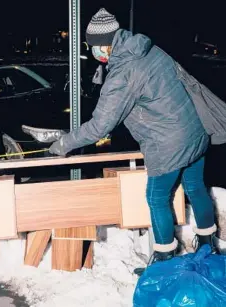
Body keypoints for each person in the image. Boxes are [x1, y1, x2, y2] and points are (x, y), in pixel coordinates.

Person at [49, 8, 219, 273]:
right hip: (195, 130)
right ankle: (209, 245)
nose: (92, 51)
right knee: (196, 187)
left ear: (104, 45)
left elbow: (100, 126)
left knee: (156, 197)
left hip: (169, 142)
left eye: (91, 46)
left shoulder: (123, 73)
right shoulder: (150, 50)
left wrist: (64, 143)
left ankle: (164, 261)